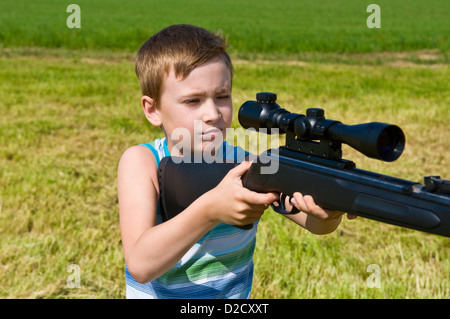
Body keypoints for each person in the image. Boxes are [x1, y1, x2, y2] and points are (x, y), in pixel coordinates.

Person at [118, 24, 354, 299]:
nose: (212, 113)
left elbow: (314, 224)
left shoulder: (244, 163)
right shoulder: (142, 162)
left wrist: (328, 213)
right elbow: (141, 265)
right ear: (153, 110)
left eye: (222, 96)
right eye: (193, 101)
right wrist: (209, 211)